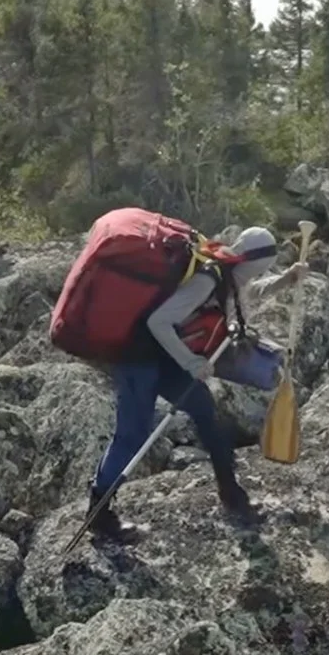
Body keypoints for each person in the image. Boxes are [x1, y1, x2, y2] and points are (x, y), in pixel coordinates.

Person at [85, 225, 307, 542]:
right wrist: (191, 362)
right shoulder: (208, 279)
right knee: (132, 436)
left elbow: (247, 292)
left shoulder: (231, 272)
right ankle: (99, 513)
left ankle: (232, 495)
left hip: (164, 357)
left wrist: (285, 281)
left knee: (207, 412)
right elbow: (157, 321)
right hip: (139, 357)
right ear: (251, 262)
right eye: (261, 269)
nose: (259, 275)